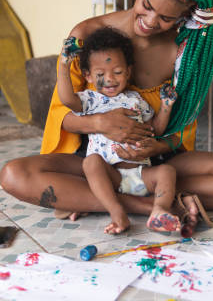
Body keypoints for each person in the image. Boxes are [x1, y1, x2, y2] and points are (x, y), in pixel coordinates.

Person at [0, 0, 213, 232]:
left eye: (166, 18)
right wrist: (100, 122)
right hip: (95, 160)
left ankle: (97, 198)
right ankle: (151, 205)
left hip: (157, 164)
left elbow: (181, 128)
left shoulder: (183, 51)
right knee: (14, 175)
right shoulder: (86, 35)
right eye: (147, 5)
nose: (151, 21)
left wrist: (158, 146)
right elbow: (61, 114)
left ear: (184, 15)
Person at [58, 27, 181, 234]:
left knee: (167, 171)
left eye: (117, 72)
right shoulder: (90, 99)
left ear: (128, 72)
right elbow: (66, 99)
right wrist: (63, 65)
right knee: (91, 162)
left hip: (142, 173)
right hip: (111, 175)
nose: (110, 79)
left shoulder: (137, 100)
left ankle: (159, 210)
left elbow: (156, 129)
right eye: (100, 74)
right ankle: (116, 212)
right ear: (87, 75)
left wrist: (166, 106)